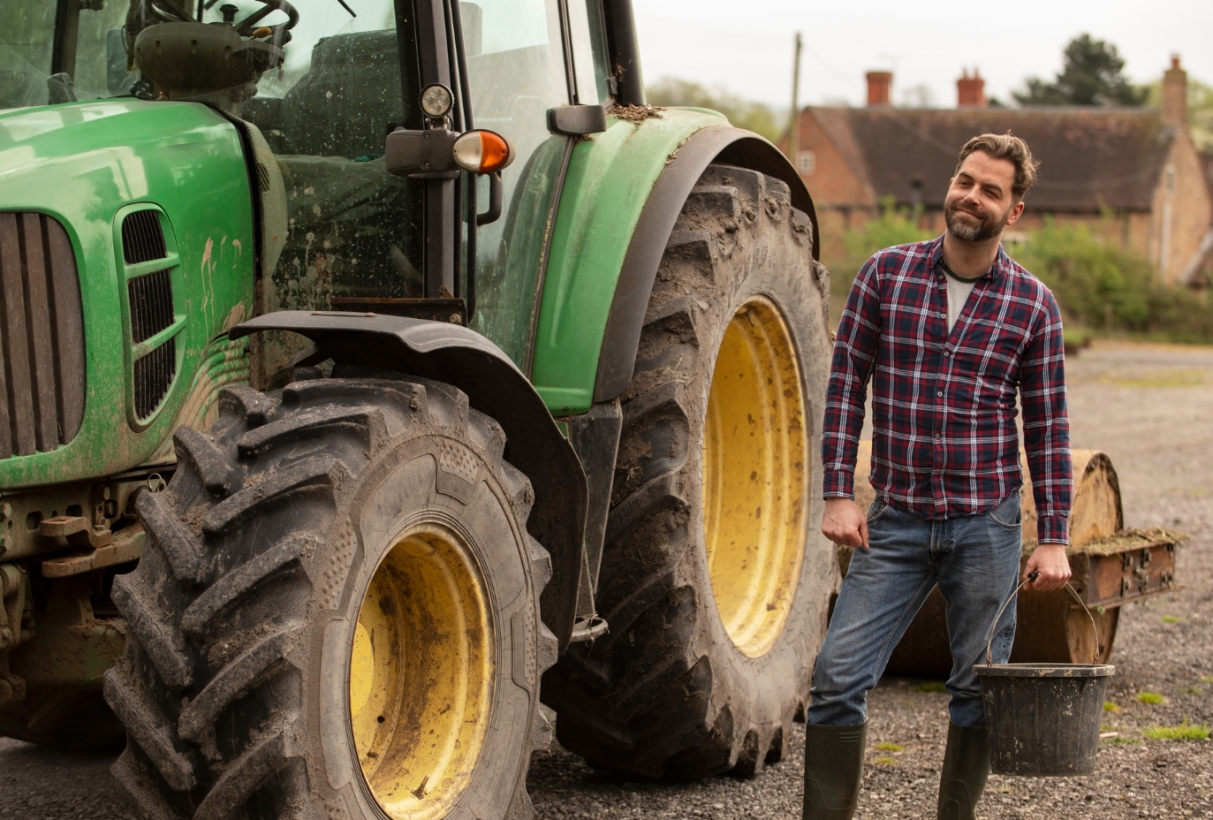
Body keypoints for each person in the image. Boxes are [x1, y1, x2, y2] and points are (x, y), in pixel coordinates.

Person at [804, 133, 1074, 820]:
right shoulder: (884, 274)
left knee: (979, 687)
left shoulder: (1032, 305)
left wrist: (1054, 538)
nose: (970, 196)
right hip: (893, 521)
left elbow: (1046, 428)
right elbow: (844, 387)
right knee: (836, 678)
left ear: (1013, 211)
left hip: (985, 524)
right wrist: (838, 490)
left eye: (990, 189)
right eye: (964, 180)